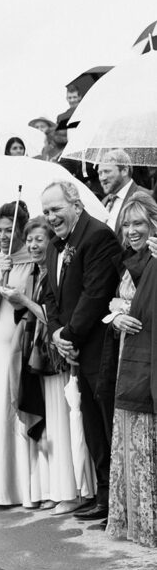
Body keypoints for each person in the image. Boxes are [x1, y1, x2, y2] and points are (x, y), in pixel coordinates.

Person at [0, 216, 95, 512]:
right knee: (50, 425)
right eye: (29, 240)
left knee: (63, 423)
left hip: (57, 356)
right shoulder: (34, 274)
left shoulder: (56, 272)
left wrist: (24, 302)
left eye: (39, 239)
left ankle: (75, 491)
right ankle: (56, 488)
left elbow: (54, 315)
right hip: (37, 357)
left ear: (51, 241)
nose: (33, 245)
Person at [42, 181, 122, 523]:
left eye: (56, 209)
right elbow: (50, 295)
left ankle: (119, 502)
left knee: (107, 424)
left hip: (99, 348)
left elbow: (95, 294)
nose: (51, 217)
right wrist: (56, 332)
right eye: (45, 212)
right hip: (75, 347)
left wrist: (69, 336)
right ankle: (102, 497)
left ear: (75, 204)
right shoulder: (54, 246)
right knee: (91, 426)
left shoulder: (97, 236)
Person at [0, 201, 43, 507]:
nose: (3, 236)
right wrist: (1, 277)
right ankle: (5, 488)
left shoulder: (33, 259)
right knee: (4, 411)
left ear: (21, 229)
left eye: (9, 230)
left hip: (26, 343)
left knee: (27, 405)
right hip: (2, 350)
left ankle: (32, 488)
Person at [106, 193, 157, 546]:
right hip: (129, 354)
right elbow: (118, 303)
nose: (132, 230)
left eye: (139, 223)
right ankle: (132, 520)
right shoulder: (129, 263)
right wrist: (116, 315)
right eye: (127, 223)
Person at [97, 148, 151, 234]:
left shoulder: (146, 197)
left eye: (107, 171)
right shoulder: (103, 202)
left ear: (124, 171)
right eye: (100, 173)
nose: (102, 178)